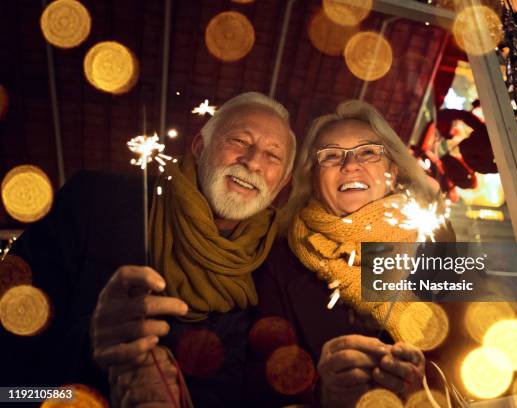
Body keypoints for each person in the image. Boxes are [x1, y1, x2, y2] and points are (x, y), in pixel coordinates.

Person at [1, 91, 296, 407]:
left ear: (283, 181)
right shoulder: (94, 201)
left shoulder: (273, 258)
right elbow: (9, 387)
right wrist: (89, 353)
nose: (252, 162)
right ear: (199, 147)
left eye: (272, 156)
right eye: (239, 141)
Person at [248, 100, 456, 407]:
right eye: (331, 156)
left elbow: (471, 353)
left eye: (368, 152)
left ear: (392, 171)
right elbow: (264, 384)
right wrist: (324, 394)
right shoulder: (280, 259)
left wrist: (422, 386)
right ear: (313, 182)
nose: (350, 165)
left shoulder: (435, 242)